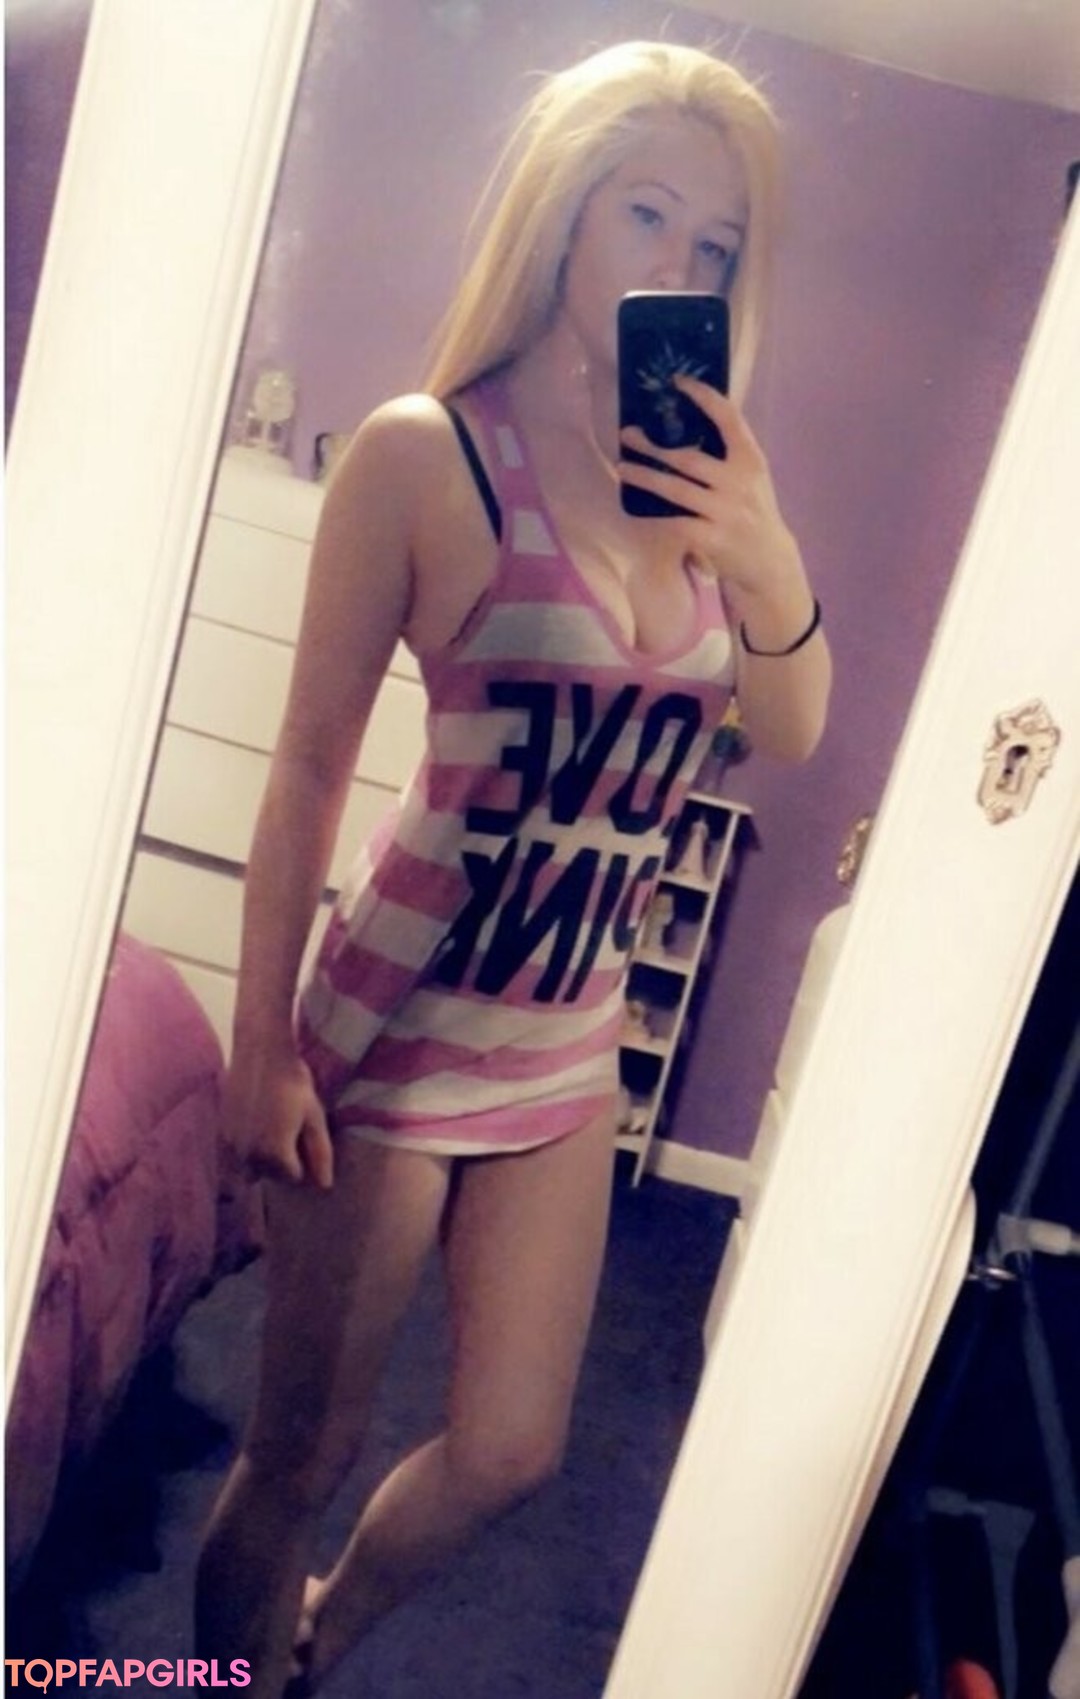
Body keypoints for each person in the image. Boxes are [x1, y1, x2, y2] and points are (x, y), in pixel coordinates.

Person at [194, 39, 831, 1698]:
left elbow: (787, 723)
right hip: (396, 1034)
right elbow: (308, 767)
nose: (680, 267)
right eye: (646, 214)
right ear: (563, 211)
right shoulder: (430, 454)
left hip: (566, 1040)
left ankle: (314, 1638)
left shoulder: (703, 488)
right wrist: (262, 1045)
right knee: (300, 1454)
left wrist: (766, 555)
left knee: (513, 1451)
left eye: (715, 246)